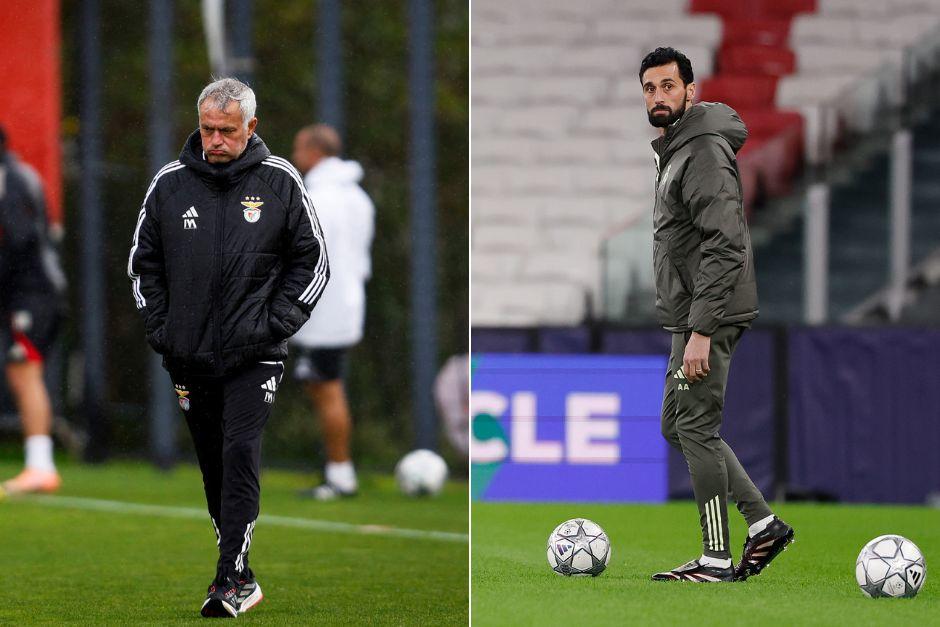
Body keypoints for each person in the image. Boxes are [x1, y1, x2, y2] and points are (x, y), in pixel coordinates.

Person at [127, 78, 329, 617]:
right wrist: (163, 330)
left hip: (255, 352)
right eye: (208, 130)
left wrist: (276, 324)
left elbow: (312, 261)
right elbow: (143, 267)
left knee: (240, 450)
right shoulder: (169, 185)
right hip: (188, 354)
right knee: (214, 464)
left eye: (228, 131)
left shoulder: (280, 181)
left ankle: (226, 579)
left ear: (251, 128)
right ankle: (241, 573)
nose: (216, 140)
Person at [639, 47, 794, 583]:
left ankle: (715, 557)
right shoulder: (679, 150)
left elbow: (726, 244)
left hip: (709, 315)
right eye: (650, 88)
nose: (658, 96)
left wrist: (702, 329)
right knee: (675, 424)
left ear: (689, 89)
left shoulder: (702, 151)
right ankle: (763, 524)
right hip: (691, 316)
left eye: (667, 86)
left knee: (696, 427)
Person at [289, 124, 374, 500]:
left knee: (327, 388)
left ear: (313, 151)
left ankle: (341, 475)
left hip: (323, 308)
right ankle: (338, 470)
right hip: (344, 303)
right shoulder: (357, 197)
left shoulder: (319, 195)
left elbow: (304, 252)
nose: (294, 156)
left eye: (298, 148)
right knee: (322, 385)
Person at [0, 126, 66, 495]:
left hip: (33, 293)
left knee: (25, 369)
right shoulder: (19, 173)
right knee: (20, 369)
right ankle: (39, 463)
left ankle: (41, 467)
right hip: (31, 291)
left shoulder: (9, 178)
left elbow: (21, 239)